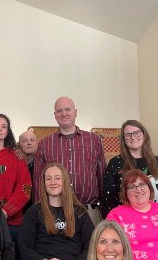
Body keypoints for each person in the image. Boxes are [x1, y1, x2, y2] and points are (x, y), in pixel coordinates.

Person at [33, 96, 105, 226]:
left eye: (68, 109)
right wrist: (39, 215)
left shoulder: (94, 140)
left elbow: (101, 177)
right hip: (55, 213)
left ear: (76, 112)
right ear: (55, 115)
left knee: (91, 246)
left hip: (89, 211)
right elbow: (39, 181)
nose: (64, 113)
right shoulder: (45, 144)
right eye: (59, 111)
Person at [101, 119, 158, 217]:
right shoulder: (115, 163)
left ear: (144, 135)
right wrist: (113, 224)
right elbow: (107, 198)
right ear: (123, 139)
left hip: (157, 218)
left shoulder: (157, 162)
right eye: (128, 134)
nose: (133, 137)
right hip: (126, 220)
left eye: (137, 133)